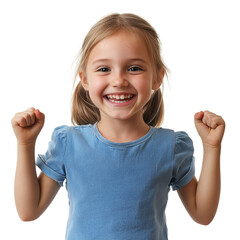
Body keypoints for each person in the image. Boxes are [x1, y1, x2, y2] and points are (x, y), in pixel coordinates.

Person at [12, 13, 225, 240]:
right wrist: (25, 143)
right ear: (85, 79)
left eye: (134, 68)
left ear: (157, 78)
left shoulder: (170, 146)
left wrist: (212, 147)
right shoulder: (69, 143)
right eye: (104, 69)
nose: (119, 80)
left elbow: (203, 214)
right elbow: (28, 211)